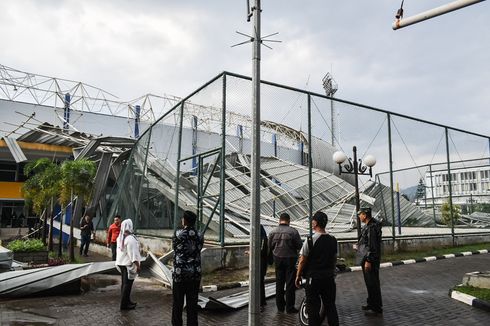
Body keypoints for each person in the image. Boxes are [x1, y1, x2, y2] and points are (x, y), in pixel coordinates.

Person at [295, 211, 339, 326]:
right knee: (330, 306)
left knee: (313, 308)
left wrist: (298, 275)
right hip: (329, 278)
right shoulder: (333, 240)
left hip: (313, 279)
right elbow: (334, 259)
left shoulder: (310, 240)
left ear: (315, 223)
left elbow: (302, 260)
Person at [172, 210, 204, 326]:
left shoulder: (178, 233)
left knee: (178, 303)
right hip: (194, 273)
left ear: (184, 220)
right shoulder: (199, 234)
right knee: (192, 303)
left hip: (180, 273)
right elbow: (199, 247)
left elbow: (175, 248)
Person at [268, 212, 303, 313]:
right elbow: (299, 246)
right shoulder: (293, 232)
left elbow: (270, 247)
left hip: (278, 259)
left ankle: (280, 307)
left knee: (279, 283)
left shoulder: (272, 232)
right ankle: (289, 307)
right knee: (290, 284)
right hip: (290, 259)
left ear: (280, 220)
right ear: (289, 221)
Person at [357, 207, 383, 316]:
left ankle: (376, 307)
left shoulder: (371, 227)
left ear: (365, 215)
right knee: (370, 283)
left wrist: (369, 260)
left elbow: (372, 246)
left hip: (370, 260)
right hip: (369, 258)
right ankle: (371, 303)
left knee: (373, 283)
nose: (359, 216)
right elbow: (367, 243)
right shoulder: (370, 226)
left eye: (360, 214)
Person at [115, 219, 141, 310]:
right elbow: (132, 254)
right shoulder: (130, 239)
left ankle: (127, 301)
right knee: (127, 285)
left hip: (121, 263)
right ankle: (124, 305)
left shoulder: (120, 237)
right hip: (128, 264)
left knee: (124, 284)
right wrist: (137, 265)